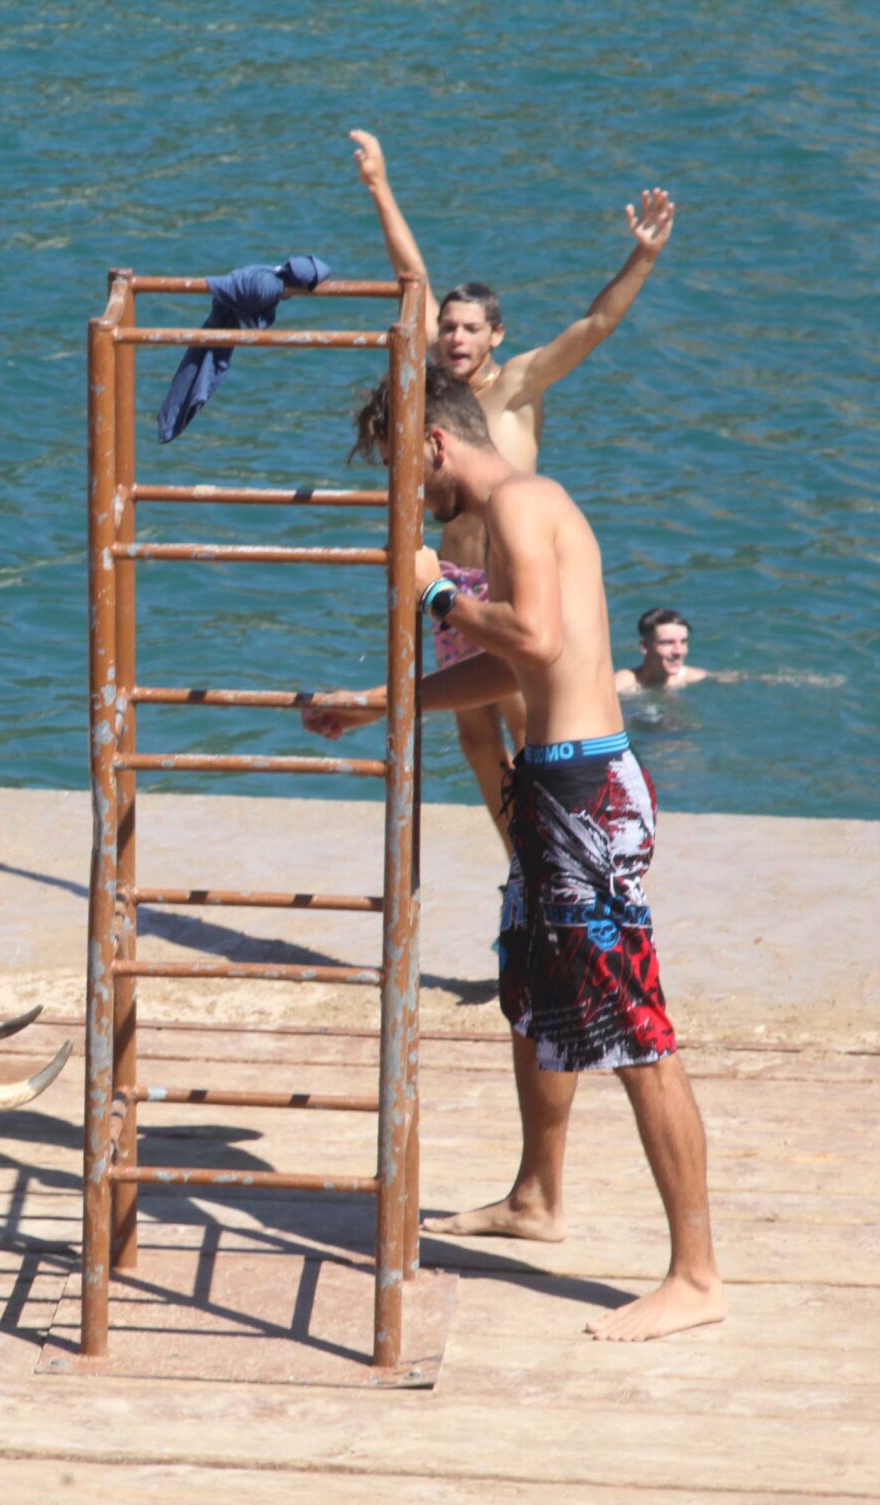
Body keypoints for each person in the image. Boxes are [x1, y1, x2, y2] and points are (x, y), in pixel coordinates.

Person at [303, 370, 724, 1342]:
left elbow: (531, 638)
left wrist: (437, 590)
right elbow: (519, 664)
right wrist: (384, 700)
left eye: (407, 470)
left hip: (585, 795)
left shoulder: (524, 504)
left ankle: (697, 1277)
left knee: (634, 1035)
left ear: (437, 443)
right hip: (553, 791)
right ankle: (537, 1197)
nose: (411, 497)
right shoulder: (514, 514)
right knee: (534, 993)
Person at [351, 130, 677, 850]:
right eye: (448, 328)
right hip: (450, 573)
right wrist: (380, 186)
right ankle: (521, 856)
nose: (456, 339)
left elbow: (595, 324)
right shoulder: (438, 401)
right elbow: (413, 274)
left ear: (497, 333)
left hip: (508, 578)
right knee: (474, 739)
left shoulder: (522, 383)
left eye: (470, 328)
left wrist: (644, 254)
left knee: (532, 722)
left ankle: (550, 843)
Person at [615, 607, 709, 694]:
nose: (679, 651)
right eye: (668, 643)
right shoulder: (623, 684)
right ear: (644, 646)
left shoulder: (693, 677)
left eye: (683, 642)